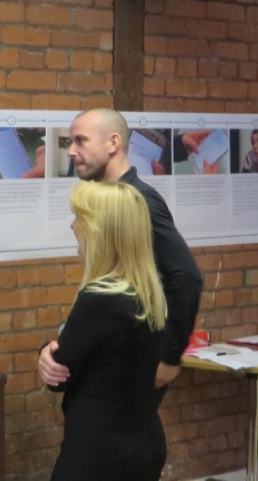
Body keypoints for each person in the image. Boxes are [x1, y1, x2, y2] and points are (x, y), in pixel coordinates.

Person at [44, 180, 169, 481]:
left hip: (96, 456)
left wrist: (48, 353)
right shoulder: (148, 293)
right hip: (142, 447)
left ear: (101, 231)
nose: (73, 226)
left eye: (81, 218)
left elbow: (59, 375)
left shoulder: (98, 299)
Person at [41, 108, 203, 392]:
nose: (71, 151)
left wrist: (169, 356)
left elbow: (186, 276)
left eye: (81, 141)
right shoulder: (105, 202)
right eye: (70, 143)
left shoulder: (140, 202)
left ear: (113, 143)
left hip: (130, 373)